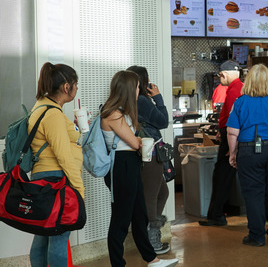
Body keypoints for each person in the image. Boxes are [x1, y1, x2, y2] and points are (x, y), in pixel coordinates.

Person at [100, 70, 178, 267]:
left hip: (130, 165)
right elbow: (134, 143)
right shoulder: (113, 114)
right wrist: (141, 141)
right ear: (128, 88)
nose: (139, 90)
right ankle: (118, 263)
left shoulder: (122, 111)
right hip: (122, 166)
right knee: (120, 220)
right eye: (136, 87)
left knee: (139, 214)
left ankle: (152, 259)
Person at [226, 64, 268, 246]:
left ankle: (256, 237)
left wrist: (233, 153)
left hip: (249, 152)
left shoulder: (240, 102)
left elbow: (232, 132)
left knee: (254, 194)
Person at [27, 63, 84, 267]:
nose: (77, 88)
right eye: (75, 84)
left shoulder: (42, 106)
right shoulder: (52, 114)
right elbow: (64, 157)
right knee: (59, 237)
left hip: (43, 180)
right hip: (55, 181)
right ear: (67, 87)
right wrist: (78, 188)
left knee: (43, 236)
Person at [127, 66, 170, 255]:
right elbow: (163, 122)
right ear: (144, 83)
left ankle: (151, 234)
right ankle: (151, 242)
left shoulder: (127, 100)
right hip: (150, 154)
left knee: (162, 193)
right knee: (152, 196)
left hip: (142, 152)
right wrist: (158, 98)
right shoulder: (142, 100)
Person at [200, 60, 243, 227]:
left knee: (221, 177)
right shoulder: (237, 88)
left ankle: (217, 215)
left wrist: (233, 146)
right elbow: (228, 115)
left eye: (220, 76)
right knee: (222, 176)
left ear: (224, 75)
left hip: (231, 138)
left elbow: (235, 120)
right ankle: (216, 214)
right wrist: (220, 128)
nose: (220, 79)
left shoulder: (233, 91)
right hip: (228, 135)